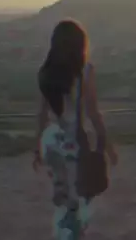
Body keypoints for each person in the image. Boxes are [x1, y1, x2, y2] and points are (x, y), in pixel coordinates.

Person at [33, 19, 118, 240]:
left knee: (62, 198)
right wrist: (108, 147)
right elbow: (93, 113)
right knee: (79, 202)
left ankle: (62, 233)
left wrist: (37, 147)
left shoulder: (46, 73)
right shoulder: (85, 72)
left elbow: (42, 113)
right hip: (74, 144)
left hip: (51, 142)